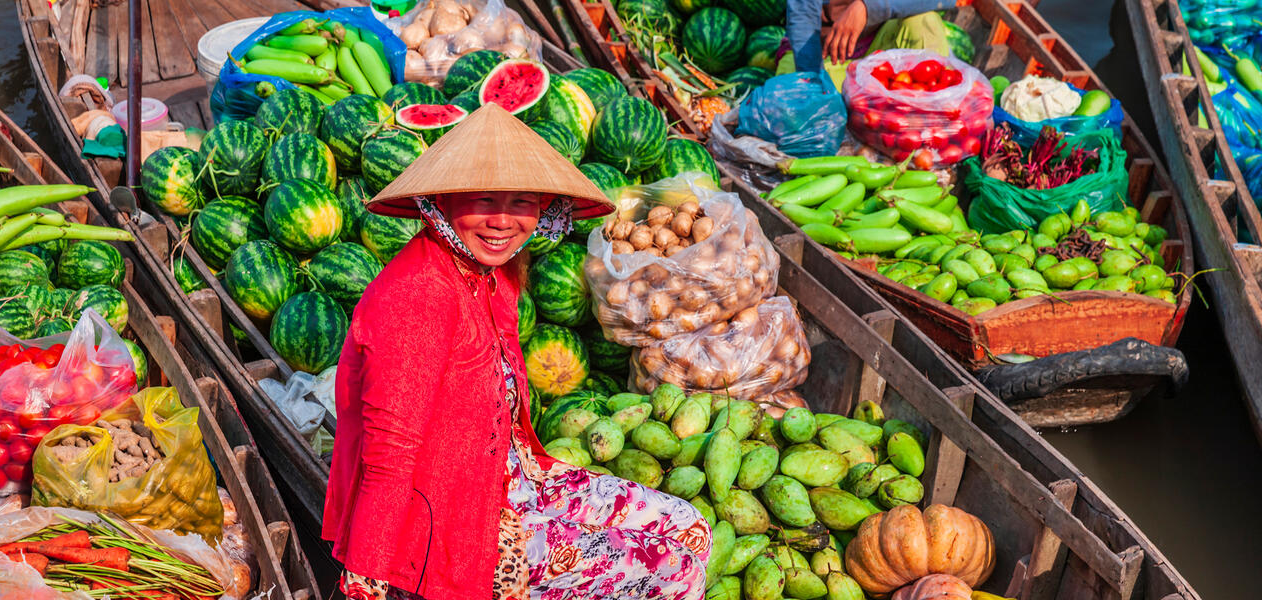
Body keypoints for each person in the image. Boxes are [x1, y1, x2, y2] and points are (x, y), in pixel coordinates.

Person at [322, 103, 712, 600]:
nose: (503, 221)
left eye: (522, 200)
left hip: (508, 479)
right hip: (455, 521)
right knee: (672, 571)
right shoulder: (417, 295)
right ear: (442, 201)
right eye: (484, 199)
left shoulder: (494, 273)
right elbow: (389, 454)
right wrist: (367, 580)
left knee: (691, 527)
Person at [787, 0, 961, 72]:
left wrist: (867, 7)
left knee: (923, 21)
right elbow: (803, 14)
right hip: (824, 56)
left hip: (882, 50)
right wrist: (811, 79)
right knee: (789, 108)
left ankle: (930, 114)